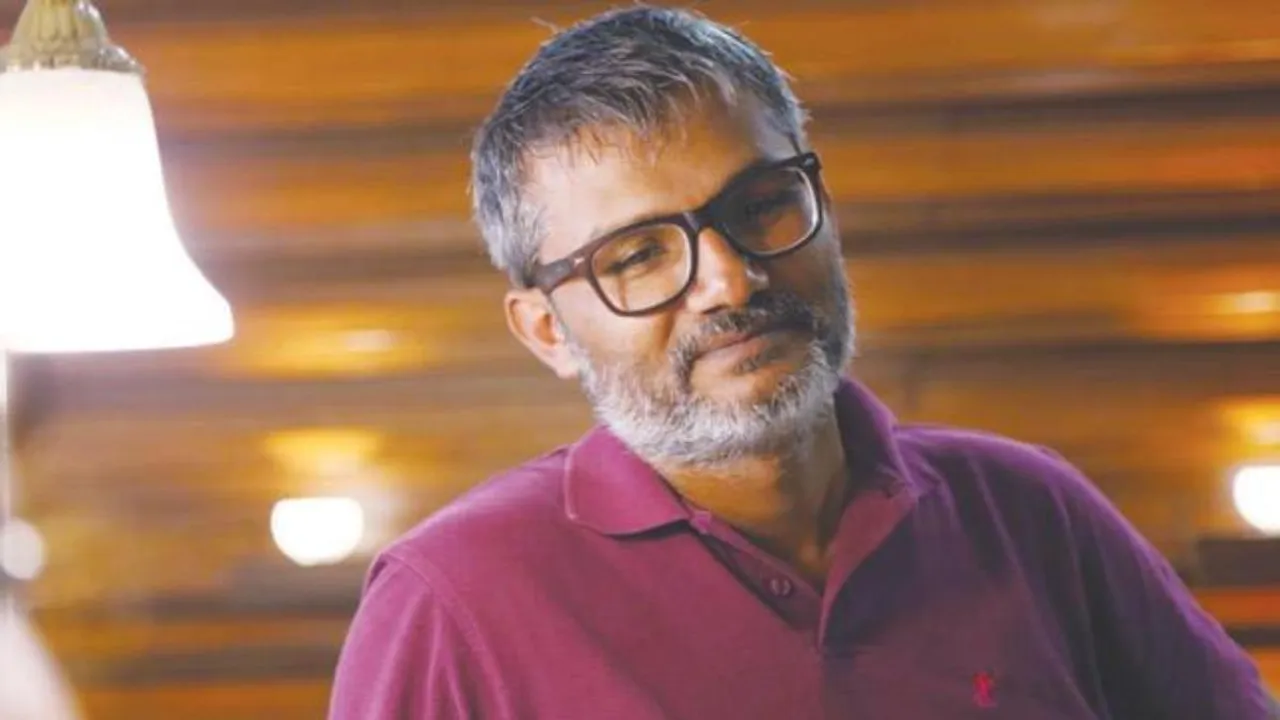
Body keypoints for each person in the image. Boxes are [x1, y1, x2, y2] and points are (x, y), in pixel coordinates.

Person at [328, 6, 1275, 718]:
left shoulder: (1029, 511)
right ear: (544, 330)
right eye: (640, 255)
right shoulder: (453, 599)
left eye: (762, 205)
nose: (729, 280)